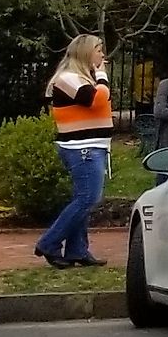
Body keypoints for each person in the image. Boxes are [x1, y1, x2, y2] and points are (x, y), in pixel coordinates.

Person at [34, 33, 113, 270]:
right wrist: (101, 75)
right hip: (82, 149)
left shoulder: (82, 78)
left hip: (92, 146)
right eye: (98, 50)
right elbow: (97, 101)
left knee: (84, 198)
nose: (102, 55)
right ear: (86, 53)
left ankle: (77, 250)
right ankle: (49, 243)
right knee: (87, 198)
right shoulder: (67, 78)